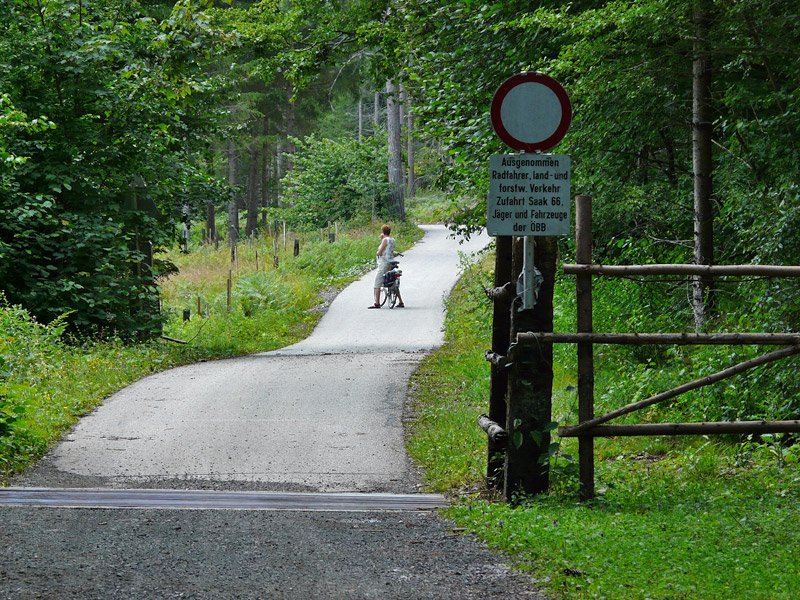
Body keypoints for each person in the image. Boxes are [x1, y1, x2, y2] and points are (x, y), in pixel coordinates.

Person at [368, 224, 404, 308]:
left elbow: (380, 252)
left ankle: (377, 303)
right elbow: (390, 250)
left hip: (384, 262)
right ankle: (400, 301)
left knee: (377, 282)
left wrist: (377, 252)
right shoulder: (392, 240)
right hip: (391, 261)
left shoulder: (385, 240)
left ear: (383, 232)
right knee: (393, 282)